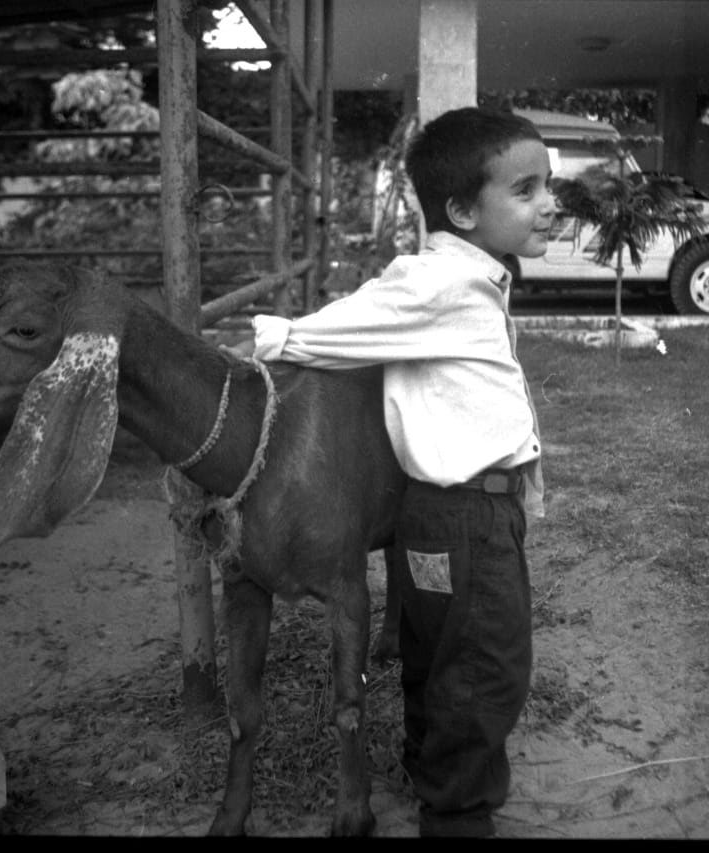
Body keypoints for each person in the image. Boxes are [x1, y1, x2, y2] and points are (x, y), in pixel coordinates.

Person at [252, 106, 552, 837]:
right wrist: (276, 339)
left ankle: (432, 772)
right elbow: (356, 319)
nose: (550, 204)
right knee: (486, 666)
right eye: (527, 189)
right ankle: (455, 816)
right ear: (460, 209)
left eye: (549, 186)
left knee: (438, 654)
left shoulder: (468, 279)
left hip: (439, 519)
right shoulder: (441, 282)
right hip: (466, 522)